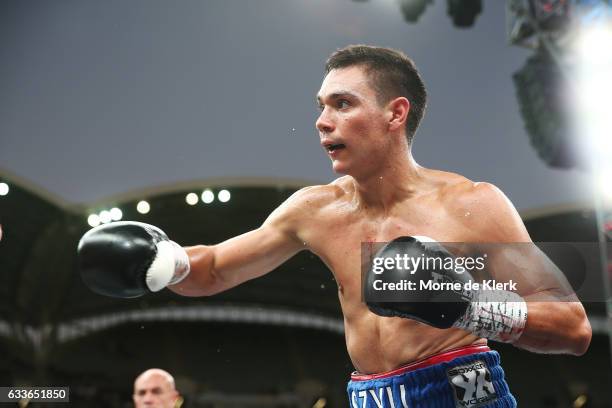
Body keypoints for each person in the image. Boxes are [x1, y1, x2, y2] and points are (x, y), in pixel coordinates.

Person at [78, 45, 592, 407]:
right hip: (367, 398)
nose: (323, 121)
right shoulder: (314, 211)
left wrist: (469, 307)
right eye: (321, 106)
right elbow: (213, 270)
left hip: (464, 396)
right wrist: (164, 263)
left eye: (342, 104)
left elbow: (573, 328)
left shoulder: (472, 205)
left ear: (395, 114)